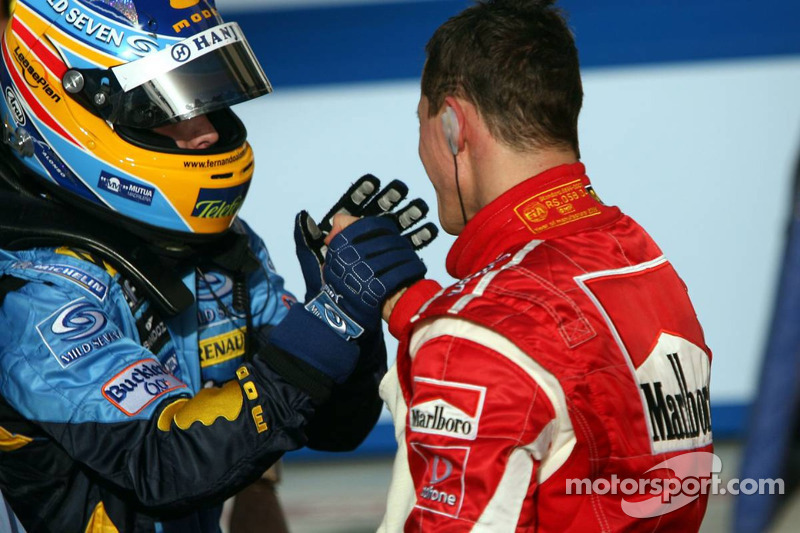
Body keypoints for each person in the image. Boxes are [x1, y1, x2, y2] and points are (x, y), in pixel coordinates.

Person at [0, 0, 433, 531]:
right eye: (166, 108)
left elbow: (334, 428)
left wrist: (348, 322)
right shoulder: (34, 293)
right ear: (75, 114)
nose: (206, 132)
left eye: (204, 98)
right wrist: (329, 322)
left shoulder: (219, 249)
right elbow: (167, 462)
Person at [368, 0, 715, 530]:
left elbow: (506, 344)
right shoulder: (642, 261)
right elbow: (567, 376)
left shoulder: (478, 333)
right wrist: (412, 307)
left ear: (451, 125)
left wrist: (445, 333)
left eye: (420, 123)